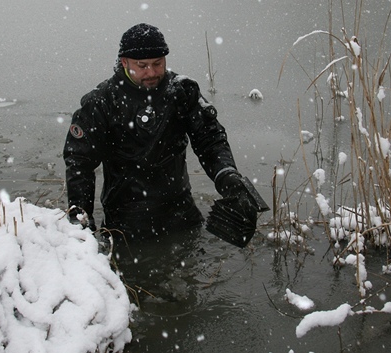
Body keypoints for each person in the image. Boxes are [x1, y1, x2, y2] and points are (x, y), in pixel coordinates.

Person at [63, 23, 264, 243]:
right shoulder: (101, 102)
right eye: (142, 66)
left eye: (157, 64)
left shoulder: (181, 92)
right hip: (126, 221)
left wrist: (228, 177)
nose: (151, 72)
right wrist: (81, 217)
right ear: (124, 62)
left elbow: (210, 140)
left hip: (181, 214)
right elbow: (80, 162)